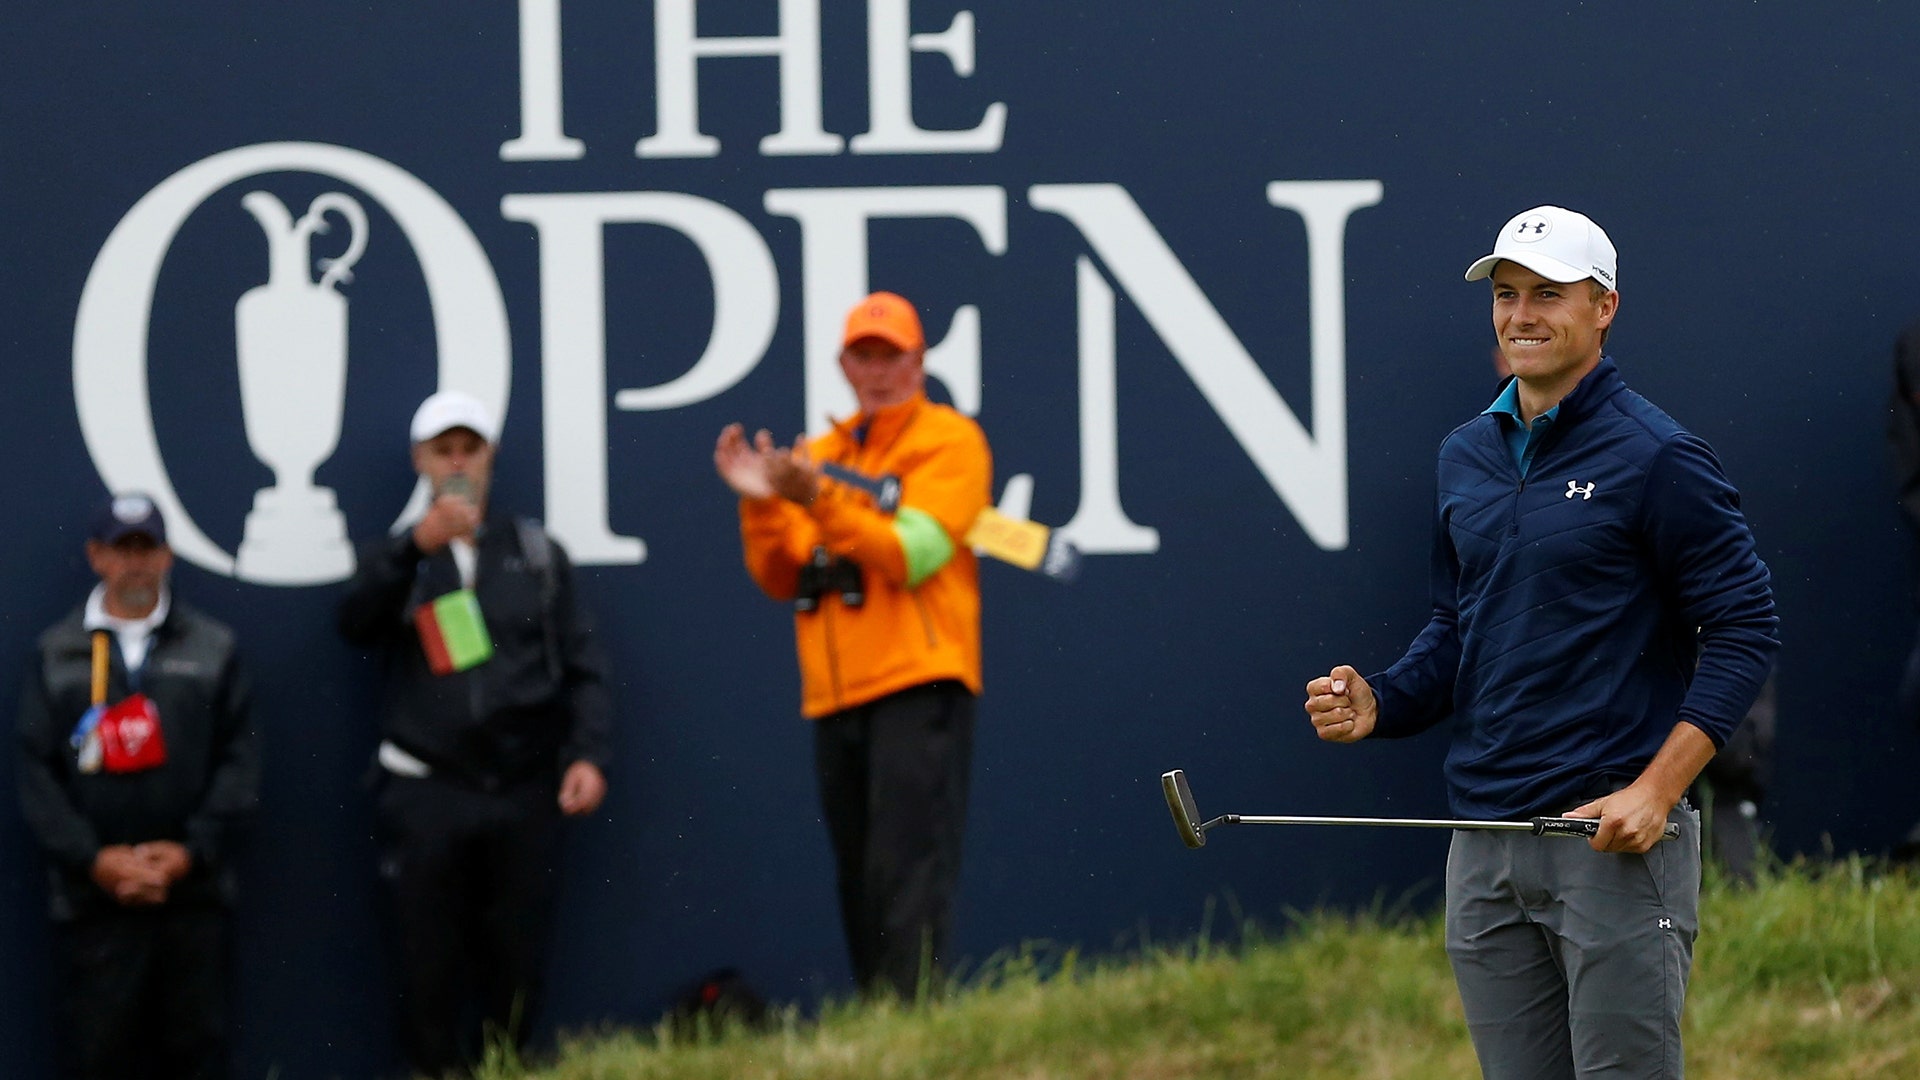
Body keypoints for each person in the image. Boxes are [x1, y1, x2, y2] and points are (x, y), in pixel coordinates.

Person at [1303, 206, 1778, 1079]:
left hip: (1612, 840)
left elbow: (1745, 626)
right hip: (1481, 840)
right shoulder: (1464, 455)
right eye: (1507, 293)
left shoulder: (1659, 455)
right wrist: (1386, 699)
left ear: (1604, 308)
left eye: (1548, 295)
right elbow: (1460, 626)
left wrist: (1657, 790)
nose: (1521, 314)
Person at [714, 291, 991, 1000]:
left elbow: (916, 553)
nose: (876, 371)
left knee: (907, 867)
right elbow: (779, 575)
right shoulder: (822, 454)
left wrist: (819, 501)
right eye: (862, 356)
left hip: (919, 681)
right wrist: (758, 499)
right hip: (836, 694)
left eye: (889, 355)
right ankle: (882, 1026)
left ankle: (917, 1023)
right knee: (859, 869)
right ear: (843, 363)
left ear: (918, 360)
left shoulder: (950, 440)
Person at [338, 391, 612, 1077]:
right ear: (421, 462)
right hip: (427, 793)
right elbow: (353, 623)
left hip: (522, 794)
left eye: (470, 449)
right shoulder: (400, 559)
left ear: (489, 457)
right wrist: (414, 547)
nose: (458, 462)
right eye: (444, 451)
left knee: (517, 968)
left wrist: (587, 756)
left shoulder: (536, 555)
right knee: (423, 972)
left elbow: (585, 668)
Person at [16, 494, 259, 1080]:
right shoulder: (56, 651)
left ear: (168, 556)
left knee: (198, 1058)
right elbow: (34, 770)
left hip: (191, 898)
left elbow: (241, 760)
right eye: (121, 550)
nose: (135, 564)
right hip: (95, 901)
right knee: (96, 1058)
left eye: (146, 548)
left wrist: (188, 852)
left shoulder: (213, 647)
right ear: (95, 556)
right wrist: (95, 860)